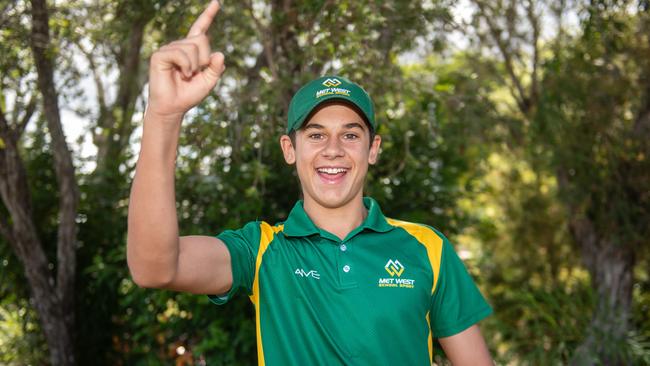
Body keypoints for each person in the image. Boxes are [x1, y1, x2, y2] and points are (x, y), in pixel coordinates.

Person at [127, 1, 493, 364]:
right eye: (316, 136)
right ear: (290, 149)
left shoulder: (427, 248)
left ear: (373, 149)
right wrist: (164, 115)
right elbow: (154, 268)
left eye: (350, 135)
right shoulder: (262, 251)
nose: (333, 149)